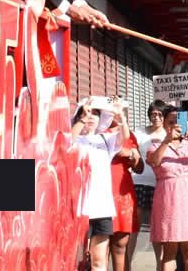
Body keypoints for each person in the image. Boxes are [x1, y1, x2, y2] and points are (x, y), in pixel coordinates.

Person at [148, 103, 188, 271]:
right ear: (164, 124)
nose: (175, 126)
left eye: (179, 122)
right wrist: (166, 140)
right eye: (170, 122)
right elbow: (153, 161)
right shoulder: (156, 145)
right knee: (169, 251)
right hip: (168, 202)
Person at [74, 97, 129, 271]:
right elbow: (66, 140)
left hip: (102, 209)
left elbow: (124, 136)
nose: (91, 117)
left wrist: (120, 116)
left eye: (96, 113)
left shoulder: (105, 140)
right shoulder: (73, 138)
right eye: (88, 113)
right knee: (77, 261)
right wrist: (82, 118)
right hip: (78, 210)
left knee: (99, 261)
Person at [131, 99, 167, 270]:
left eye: (160, 114)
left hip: (158, 184)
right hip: (138, 182)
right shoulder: (139, 132)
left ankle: (160, 266)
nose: (156, 118)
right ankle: (126, 265)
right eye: (153, 114)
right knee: (134, 228)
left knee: (156, 229)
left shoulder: (168, 133)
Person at [108, 102, 143, 271]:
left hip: (122, 195)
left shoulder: (128, 135)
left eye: (119, 110)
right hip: (99, 193)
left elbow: (140, 167)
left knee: (120, 246)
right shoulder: (94, 132)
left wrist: (132, 155)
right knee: (98, 249)